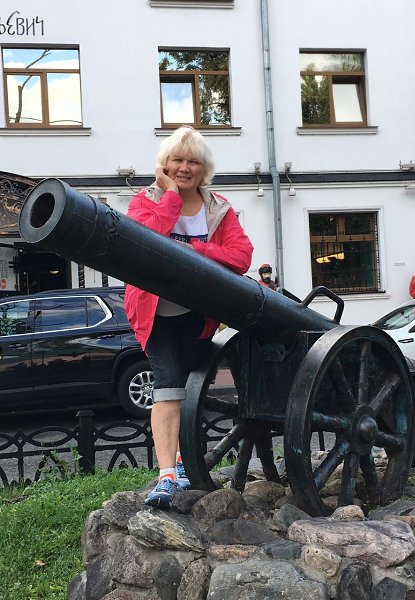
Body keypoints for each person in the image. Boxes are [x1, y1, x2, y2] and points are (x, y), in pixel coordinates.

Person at [124, 126, 254, 509]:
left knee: (189, 391)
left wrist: (198, 250)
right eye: (177, 160)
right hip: (157, 312)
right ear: (164, 165)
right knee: (167, 388)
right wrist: (170, 198)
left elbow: (241, 256)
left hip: (198, 313)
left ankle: (182, 462)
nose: (184, 168)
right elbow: (145, 243)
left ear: (203, 169)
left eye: (192, 161)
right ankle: (167, 474)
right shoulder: (145, 201)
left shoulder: (217, 208)